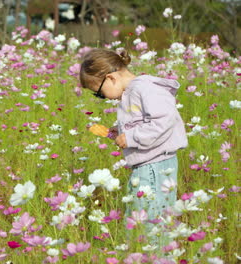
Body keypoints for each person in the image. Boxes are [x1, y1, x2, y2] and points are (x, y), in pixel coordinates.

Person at [79, 48, 188, 245]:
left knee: (149, 222)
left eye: (99, 94)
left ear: (111, 78)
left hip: (155, 166)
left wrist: (131, 138)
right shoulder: (133, 91)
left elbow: (163, 121)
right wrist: (117, 132)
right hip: (147, 165)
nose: (104, 99)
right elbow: (141, 122)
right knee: (140, 218)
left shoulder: (144, 89)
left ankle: (155, 256)